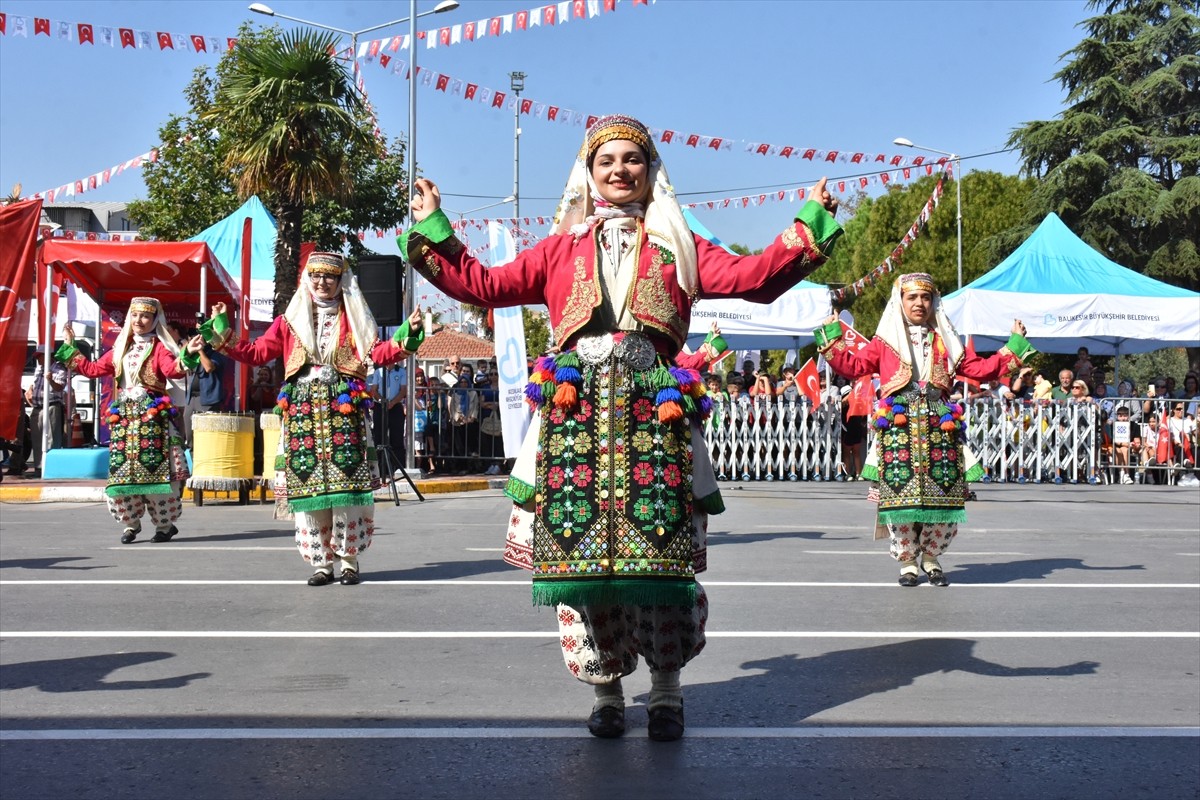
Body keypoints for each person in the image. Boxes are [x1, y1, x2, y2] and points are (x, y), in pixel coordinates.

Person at [399, 114, 841, 741]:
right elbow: (485, 284)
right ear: (588, 171)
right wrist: (435, 226)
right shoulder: (559, 248)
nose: (618, 171)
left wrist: (810, 222)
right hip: (575, 419)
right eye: (606, 161)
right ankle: (606, 693)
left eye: (632, 159)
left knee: (662, 562)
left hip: (650, 420)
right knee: (577, 562)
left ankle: (666, 691)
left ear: (650, 170)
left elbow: (756, 278)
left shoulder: (678, 246)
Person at [201, 252, 424, 586]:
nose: (322, 283)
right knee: (308, 491)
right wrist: (222, 332)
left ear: (340, 282)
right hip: (303, 412)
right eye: (316, 276)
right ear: (308, 279)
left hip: (343, 411)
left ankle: (349, 562)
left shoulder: (355, 318)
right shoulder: (288, 321)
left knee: (347, 489)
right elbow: (258, 353)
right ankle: (322, 564)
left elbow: (376, 353)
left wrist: (407, 334)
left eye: (329, 277)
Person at [815, 272, 1032, 588]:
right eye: (912, 297)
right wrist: (831, 333)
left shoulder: (947, 339)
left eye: (925, 297)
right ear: (900, 301)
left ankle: (931, 557)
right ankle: (907, 561)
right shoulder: (884, 342)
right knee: (900, 496)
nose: (919, 303)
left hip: (939, 426)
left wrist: (1015, 344)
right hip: (898, 426)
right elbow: (852, 366)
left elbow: (981, 370)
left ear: (934, 302)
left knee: (943, 496)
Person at [55, 297, 203, 544]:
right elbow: (91, 369)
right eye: (135, 315)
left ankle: (164, 526)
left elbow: (174, 370)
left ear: (155, 320)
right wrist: (70, 347)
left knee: (159, 474)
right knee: (122, 475)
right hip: (125, 423)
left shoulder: (159, 348)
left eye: (145, 316)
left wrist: (188, 353)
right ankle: (130, 524)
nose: (139, 321)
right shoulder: (120, 348)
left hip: (153, 422)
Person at [25, 358, 69, 476]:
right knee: (36, 438)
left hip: (51, 405)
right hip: (37, 407)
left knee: (52, 439)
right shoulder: (39, 369)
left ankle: (52, 467)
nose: (37, 359)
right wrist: (30, 391)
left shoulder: (58, 368)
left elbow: (59, 387)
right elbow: (35, 385)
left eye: (40, 356)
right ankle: (38, 468)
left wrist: (50, 380)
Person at [184, 340, 228, 450]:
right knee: (189, 435)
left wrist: (200, 351)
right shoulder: (194, 354)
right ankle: (191, 464)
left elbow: (209, 367)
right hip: (192, 398)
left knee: (206, 435)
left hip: (208, 400)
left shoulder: (217, 354)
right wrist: (187, 347)